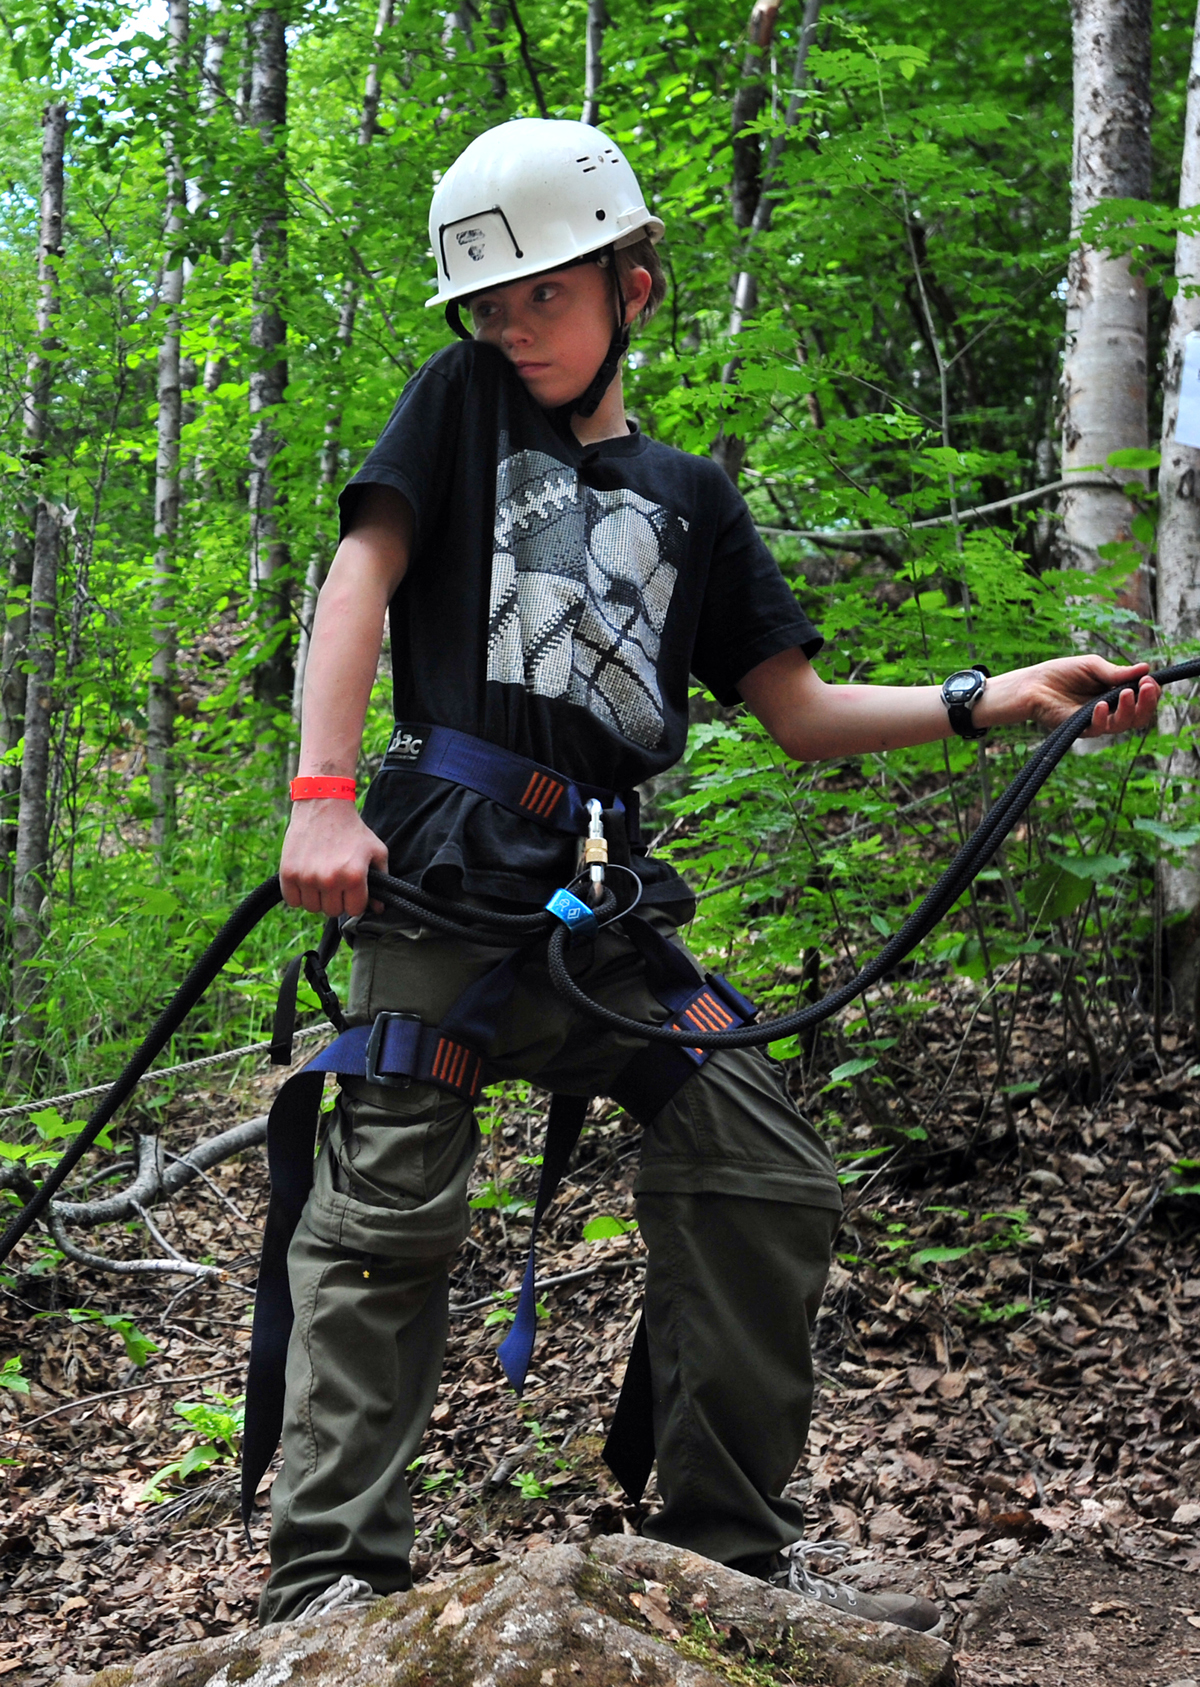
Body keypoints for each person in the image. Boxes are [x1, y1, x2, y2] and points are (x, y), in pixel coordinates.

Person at [263, 117, 1159, 1631]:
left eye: (548, 289)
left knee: (763, 1164)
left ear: (636, 286)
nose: (515, 323)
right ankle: (332, 1578)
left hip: (601, 914)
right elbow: (359, 579)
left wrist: (995, 694)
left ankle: (724, 1562)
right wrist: (322, 798)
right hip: (445, 880)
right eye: (494, 300)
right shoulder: (461, 407)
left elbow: (800, 715)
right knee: (388, 1215)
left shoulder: (697, 497)